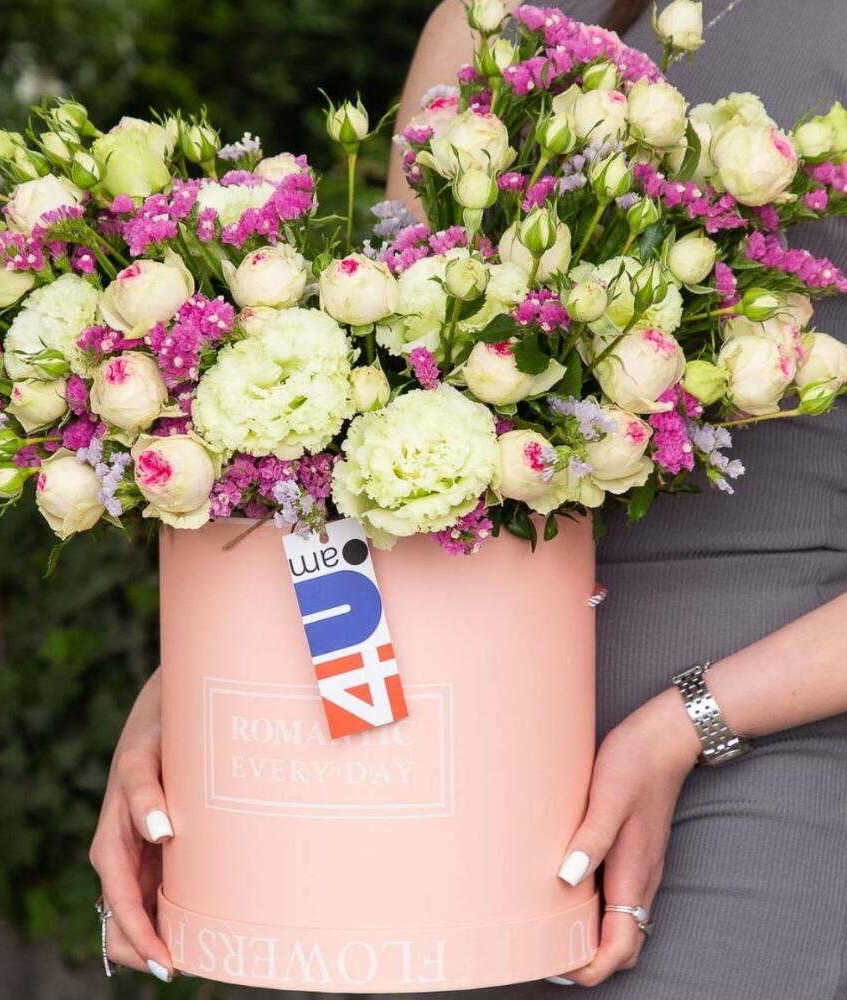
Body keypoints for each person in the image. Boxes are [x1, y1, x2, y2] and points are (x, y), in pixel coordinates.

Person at [89, 1, 847, 995]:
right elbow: (368, 433)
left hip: (755, 756)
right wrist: (195, 689)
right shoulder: (480, 19)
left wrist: (677, 729)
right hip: (425, 771)